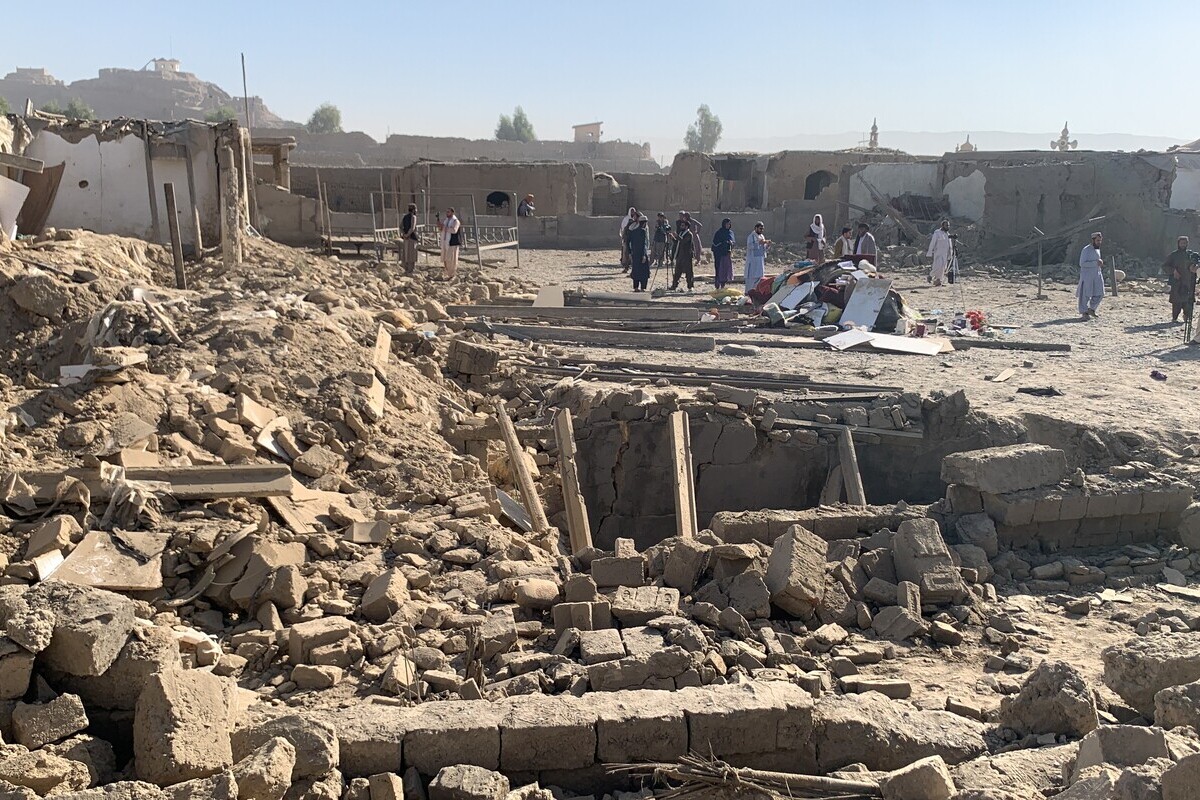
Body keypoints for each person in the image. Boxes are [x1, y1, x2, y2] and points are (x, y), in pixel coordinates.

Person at [1163, 235, 1198, 324]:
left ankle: (1187, 318)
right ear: (1178, 244)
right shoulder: (1173, 255)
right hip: (1177, 282)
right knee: (1177, 302)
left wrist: (1195, 267)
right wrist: (1173, 271)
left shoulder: (1191, 255)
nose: (1183, 245)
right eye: (1181, 243)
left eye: (1185, 243)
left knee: (1188, 301)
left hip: (1189, 282)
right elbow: (1165, 266)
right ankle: (1174, 318)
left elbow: (1197, 264)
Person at [1077, 231, 1105, 320]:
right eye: (1097, 240)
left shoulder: (1097, 249)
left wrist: (1099, 263)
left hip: (1097, 274)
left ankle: (1091, 309)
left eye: (1100, 240)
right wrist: (1095, 263)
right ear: (1093, 240)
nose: (1099, 242)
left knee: (1100, 293)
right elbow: (1082, 263)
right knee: (1085, 295)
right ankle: (1084, 312)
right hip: (1087, 275)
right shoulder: (1086, 250)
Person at [670, 218, 696, 291]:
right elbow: (678, 242)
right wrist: (673, 238)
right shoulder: (681, 233)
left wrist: (677, 237)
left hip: (686, 256)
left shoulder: (689, 234)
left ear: (686, 226)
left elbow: (684, 241)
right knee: (677, 272)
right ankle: (674, 286)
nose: (681, 227)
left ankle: (690, 286)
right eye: (681, 225)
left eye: (682, 225)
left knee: (689, 272)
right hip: (680, 256)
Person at [745, 221, 769, 293]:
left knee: (760, 277)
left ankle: (757, 292)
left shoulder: (762, 236)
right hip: (753, 261)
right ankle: (748, 292)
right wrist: (758, 243)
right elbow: (749, 246)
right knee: (752, 278)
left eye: (762, 229)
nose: (761, 230)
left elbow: (764, 248)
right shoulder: (751, 236)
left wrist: (767, 245)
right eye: (760, 228)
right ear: (756, 228)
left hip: (760, 260)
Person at [927, 220, 953, 286]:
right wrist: (930, 252)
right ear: (942, 226)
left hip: (945, 254)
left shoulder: (948, 234)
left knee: (943, 268)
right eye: (946, 225)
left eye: (949, 225)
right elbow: (932, 243)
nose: (948, 227)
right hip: (938, 253)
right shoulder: (937, 233)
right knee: (938, 266)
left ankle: (939, 281)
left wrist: (950, 254)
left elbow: (950, 246)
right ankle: (930, 276)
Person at [628, 217, 651, 292]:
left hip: (635, 254)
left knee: (636, 270)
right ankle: (642, 287)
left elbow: (628, 243)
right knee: (644, 271)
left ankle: (636, 287)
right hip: (641, 254)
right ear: (644, 223)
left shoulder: (633, 231)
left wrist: (630, 253)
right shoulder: (643, 231)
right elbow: (644, 244)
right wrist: (644, 255)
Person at [712, 219, 735, 289]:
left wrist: (731, 243)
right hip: (719, 254)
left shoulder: (730, 233)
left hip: (727, 253)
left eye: (729, 224)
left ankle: (723, 285)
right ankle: (717, 285)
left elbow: (733, 242)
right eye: (727, 224)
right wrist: (724, 242)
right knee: (719, 269)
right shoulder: (719, 232)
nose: (728, 225)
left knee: (725, 269)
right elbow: (715, 243)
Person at [440, 207, 462, 280]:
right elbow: (442, 229)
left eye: (448, 212)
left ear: (452, 213)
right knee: (446, 259)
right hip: (445, 242)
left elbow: (454, 230)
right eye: (446, 212)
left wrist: (445, 228)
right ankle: (448, 273)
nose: (447, 213)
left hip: (453, 242)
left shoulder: (456, 221)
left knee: (452, 259)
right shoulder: (446, 221)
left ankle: (452, 275)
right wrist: (441, 226)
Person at [400, 202, 419, 275]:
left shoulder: (405, 217)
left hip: (406, 238)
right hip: (411, 237)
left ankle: (407, 269)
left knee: (406, 253)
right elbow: (412, 228)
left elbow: (400, 227)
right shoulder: (413, 217)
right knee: (411, 254)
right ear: (414, 210)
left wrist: (404, 234)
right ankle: (410, 270)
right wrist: (407, 234)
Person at [619, 207, 639, 272]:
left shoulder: (637, 223)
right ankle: (626, 267)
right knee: (626, 254)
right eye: (632, 211)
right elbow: (624, 229)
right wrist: (624, 237)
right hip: (628, 240)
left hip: (634, 241)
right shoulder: (627, 220)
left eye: (634, 212)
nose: (633, 213)